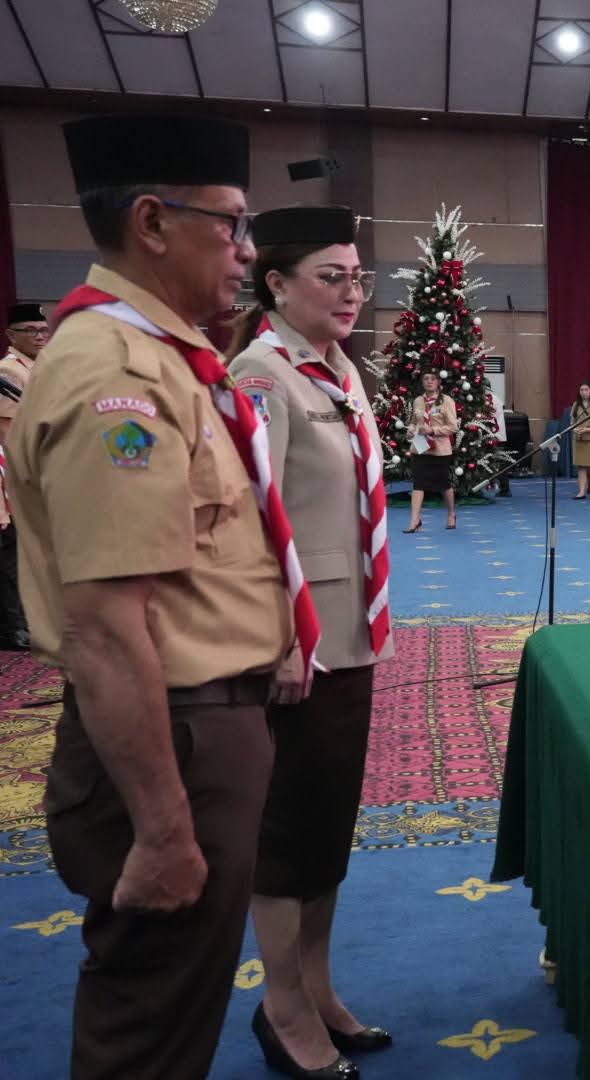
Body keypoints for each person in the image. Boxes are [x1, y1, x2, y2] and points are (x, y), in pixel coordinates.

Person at [10, 112, 301, 1078]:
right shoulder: (117, 378)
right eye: (230, 223)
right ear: (151, 221)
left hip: (200, 723)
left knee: (177, 1001)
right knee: (152, 1023)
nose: (247, 250)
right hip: (174, 736)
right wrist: (166, 827)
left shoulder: (172, 359)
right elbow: (103, 629)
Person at [226, 205, 394, 1079]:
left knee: (329, 824)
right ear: (277, 284)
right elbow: (253, 520)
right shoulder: (262, 373)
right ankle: (282, 1007)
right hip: (301, 644)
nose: (351, 293)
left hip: (351, 633)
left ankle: (319, 990)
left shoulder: (337, 368)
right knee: (289, 831)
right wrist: (282, 636)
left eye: (358, 277)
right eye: (331, 277)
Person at [0, 302, 50, 651]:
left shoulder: (41, 367)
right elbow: (9, 432)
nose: (38, 336)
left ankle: (30, 619)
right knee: (14, 552)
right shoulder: (8, 371)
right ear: (10, 335)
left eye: (43, 330)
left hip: (45, 469)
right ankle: (14, 626)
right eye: (29, 330)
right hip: (20, 475)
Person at [404, 370, 459, 532]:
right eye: (426, 379)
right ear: (422, 382)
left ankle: (451, 514)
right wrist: (411, 430)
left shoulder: (446, 401)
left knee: (444, 484)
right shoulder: (418, 401)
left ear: (438, 382)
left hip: (440, 449)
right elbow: (414, 422)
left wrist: (433, 430)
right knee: (418, 484)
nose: (429, 382)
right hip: (420, 448)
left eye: (433, 379)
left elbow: (453, 427)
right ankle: (415, 521)